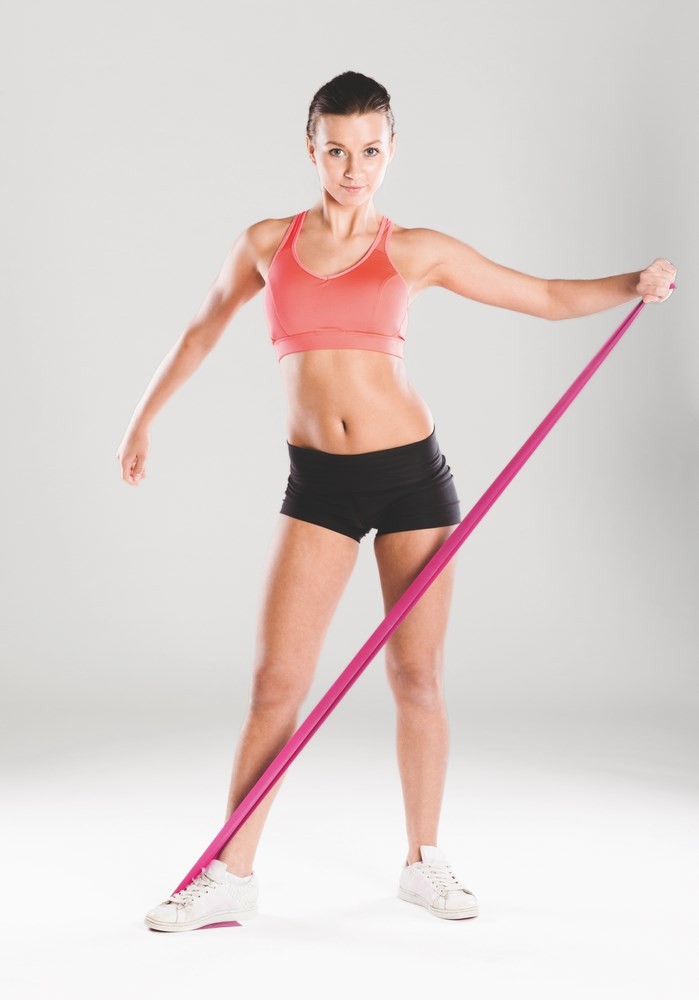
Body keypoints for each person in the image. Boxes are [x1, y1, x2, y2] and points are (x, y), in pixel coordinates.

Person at [116, 71, 677, 933]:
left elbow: (540, 296)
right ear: (311, 148)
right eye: (337, 150)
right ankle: (230, 875)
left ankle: (424, 861)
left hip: (412, 478)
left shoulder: (414, 250)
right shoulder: (266, 243)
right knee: (275, 685)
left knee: (417, 678)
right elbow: (201, 330)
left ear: (390, 151)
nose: (354, 169)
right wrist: (143, 418)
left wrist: (629, 282)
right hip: (319, 483)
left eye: (370, 151)